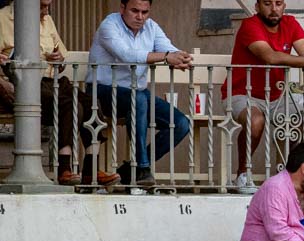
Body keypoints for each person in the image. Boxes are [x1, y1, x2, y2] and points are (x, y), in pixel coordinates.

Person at [0, 0, 117, 186]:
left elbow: (61, 55)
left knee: (91, 102)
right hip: (22, 84)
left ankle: (91, 169)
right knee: (70, 104)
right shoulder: (2, 18)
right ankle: (64, 168)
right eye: (42, 6)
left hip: (51, 80)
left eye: (48, 6)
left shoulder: (47, 20)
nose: (46, 12)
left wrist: (58, 57)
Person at [224, 0, 304, 192]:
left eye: (278, 3)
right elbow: (269, 56)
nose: (274, 9)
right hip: (242, 93)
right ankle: (242, 174)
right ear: (257, 6)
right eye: (267, 3)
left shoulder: (290, 23)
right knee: (255, 121)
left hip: (277, 96)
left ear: (284, 5)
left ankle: (292, 174)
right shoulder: (250, 25)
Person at [84, 0, 192, 188]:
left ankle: (131, 170)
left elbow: (168, 47)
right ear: (122, 8)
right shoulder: (109, 25)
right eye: (135, 11)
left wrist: (181, 57)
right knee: (139, 98)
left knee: (181, 124)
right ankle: (141, 168)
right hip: (101, 93)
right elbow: (126, 55)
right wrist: (166, 57)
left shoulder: (151, 27)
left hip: (136, 93)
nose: (140, 17)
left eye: (145, 12)